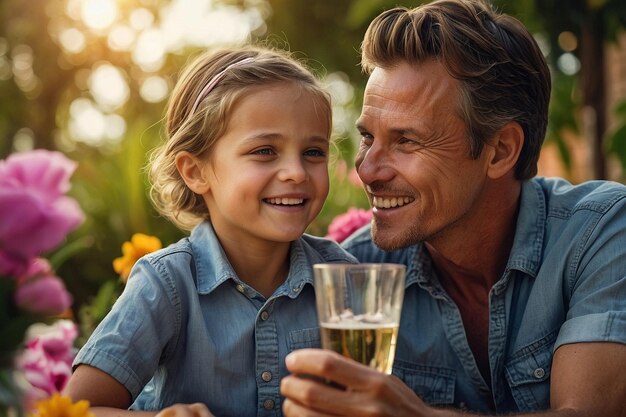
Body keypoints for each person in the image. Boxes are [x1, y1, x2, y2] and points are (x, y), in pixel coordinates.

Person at [280, 0, 626, 416]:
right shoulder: (354, 271)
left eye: (407, 141)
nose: (367, 170)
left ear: (500, 150)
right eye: (369, 137)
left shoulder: (600, 231)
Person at [63, 45, 357, 417]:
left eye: (313, 152)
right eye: (265, 150)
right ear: (195, 171)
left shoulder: (342, 275)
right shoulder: (167, 283)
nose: (297, 172)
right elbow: (75, 409)